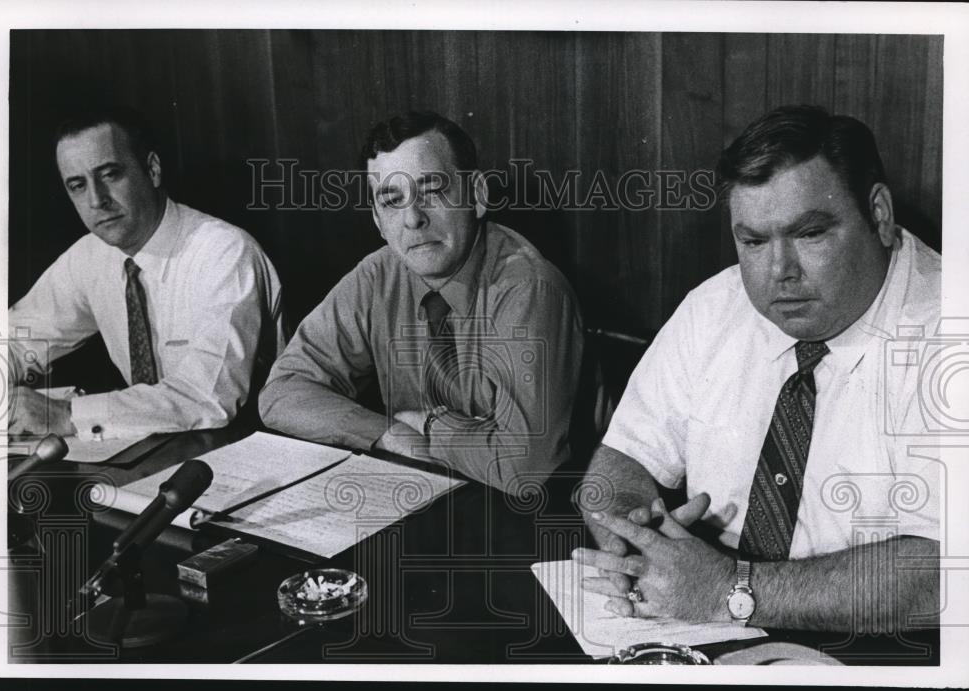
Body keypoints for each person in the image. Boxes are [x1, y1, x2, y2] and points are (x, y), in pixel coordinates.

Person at [573, 105, 940, 632]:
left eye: (810, 234)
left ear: (878, 214)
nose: (779, 272)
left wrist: (730, 589)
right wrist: (638, 545)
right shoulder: (716, 305)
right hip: (707, 620)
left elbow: (945, 574)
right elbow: (618, 464)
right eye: (753, 241)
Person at [259, 111, 584, 496]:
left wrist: (430, 426)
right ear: (378, 222)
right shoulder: (377, 276)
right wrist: (391, 432)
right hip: (423, 498)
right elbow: (282, 392)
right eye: (392, 201)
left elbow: (524, 469)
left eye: (431, 191)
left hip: (537, 521)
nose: (413, 219)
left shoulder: (528, 289)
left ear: (477, 196)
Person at [8, 105, 285, 440]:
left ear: (152, 170)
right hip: (155, 448)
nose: (97, 200)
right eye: (78, 185)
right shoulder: (89, 256)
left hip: (251, 447)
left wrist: (70, 414)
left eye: (109, 174)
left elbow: (208, 397)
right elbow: (15, 338)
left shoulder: (224, 251)